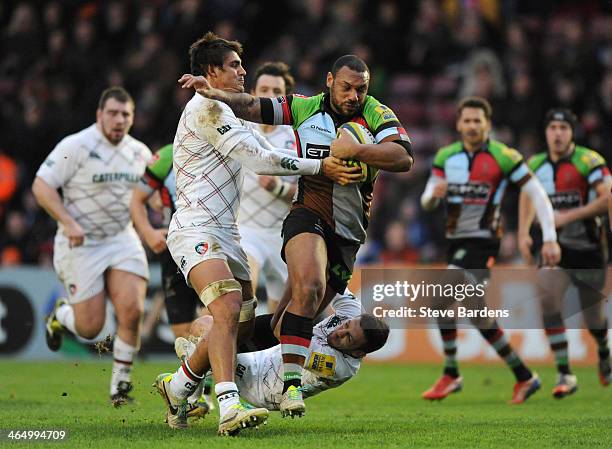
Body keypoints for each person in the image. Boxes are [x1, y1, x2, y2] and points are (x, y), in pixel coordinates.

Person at [179, 53, 414, 418]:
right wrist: (217, 94)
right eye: (347, 87)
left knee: (280, 323)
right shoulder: (304, 107)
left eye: (361, 89)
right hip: (307, 213)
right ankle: (288, 387)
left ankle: (196, 362)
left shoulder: (375, 114)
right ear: (330, 80)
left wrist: (356, 151)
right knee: (309, 287)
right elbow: (253, 105)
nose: (354, 95)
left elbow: (403, 158)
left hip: (348, 236)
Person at [154, 32, 360, 435]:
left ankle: (177, 385)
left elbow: (262, 150)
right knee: (228, 308)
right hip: (196, 226)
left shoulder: (229, 112)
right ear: (212, 71)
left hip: (228, 232)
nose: (242, 70)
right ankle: (229, 405)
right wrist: (320, 168)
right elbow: (258, 158)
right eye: (234, 65)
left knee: (243, 325)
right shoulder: (205, 110)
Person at [420, 96, 561, 404]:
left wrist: (549, 236)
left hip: (482, 243)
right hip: (455, 242)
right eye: (467, 121)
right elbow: (427, 197)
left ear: (487, 124)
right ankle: (525, 376)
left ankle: (451, 372)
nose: (472, 126)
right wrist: (434, 197)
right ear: (458, 124)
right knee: (476, 315)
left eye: (477, 121)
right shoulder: (446, 156)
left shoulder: (504, 156)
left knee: (439, 298)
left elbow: (537, 195)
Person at [33, 86, 152, 405]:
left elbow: (145, 196)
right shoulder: (76, 145)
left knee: (132, 309)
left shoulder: (139, 152)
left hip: (120, 238)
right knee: (90, 328)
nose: (119, 119)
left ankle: (120, 388)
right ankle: (61, 315)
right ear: (100, 115)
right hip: (81, 242)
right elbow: (41, 185)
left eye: (125, 114)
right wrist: (68, 222)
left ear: (133, 118)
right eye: (112, 113)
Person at [518, 108, 612, 397]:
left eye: (563, 128)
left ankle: (604, 348)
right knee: (547, 298)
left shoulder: (589, 161)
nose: (557, 133)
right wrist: (522, 232)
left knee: (592, 318)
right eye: (553, 127)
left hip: (589, 249)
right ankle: (565, 372)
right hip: (552, 248)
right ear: (546, 132)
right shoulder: (535, 163)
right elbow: (526, 194)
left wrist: (568, 216)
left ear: (572, 132)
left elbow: (607, 197)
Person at [173, 289, 389, 410]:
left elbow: (283, 332)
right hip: (267, 356)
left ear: (359, 353)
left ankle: (190, 379)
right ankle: (193, 397)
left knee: (208, 335)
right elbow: (334, 282)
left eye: (349, 338)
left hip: (261, 387)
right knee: (205, 323)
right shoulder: (353, 314)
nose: (340, 331)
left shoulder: (338, 367)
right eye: (346, 325)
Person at [130, 143, 213, 415]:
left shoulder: (223, 147)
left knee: (210, 320)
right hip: (173, 247)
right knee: (184, 334)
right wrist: (148, 232)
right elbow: (137, 199)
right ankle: (196, 395)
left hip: (211, 244)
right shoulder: (165, 156)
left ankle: (207, 395)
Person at [238, 62, 298, 313]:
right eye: (264, 89)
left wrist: (279, 188)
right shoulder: (239, 128)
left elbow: (310, 191)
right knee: (240, 293)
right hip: (245, 229)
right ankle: (203, 342)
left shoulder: (296, 136)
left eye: (276, 91)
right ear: (253, 93)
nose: (270, 96)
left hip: (282, 236)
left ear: (285, 99)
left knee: (280, 322)